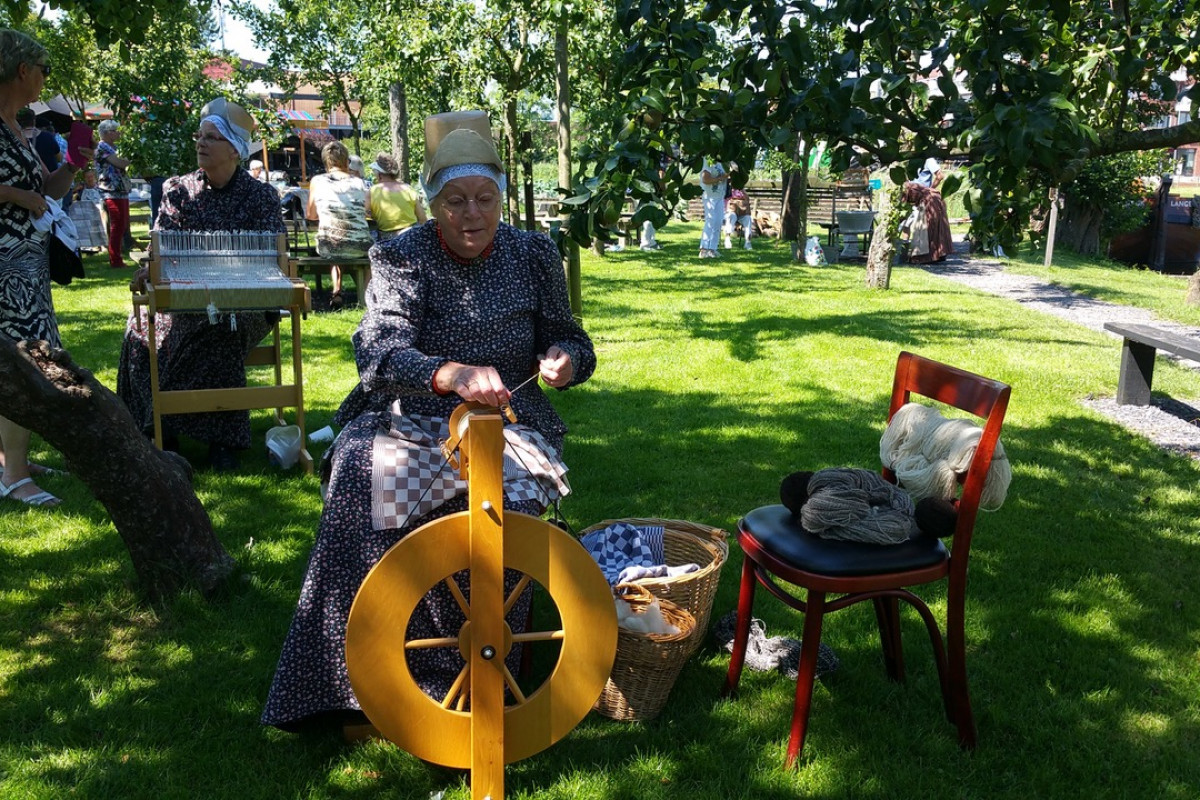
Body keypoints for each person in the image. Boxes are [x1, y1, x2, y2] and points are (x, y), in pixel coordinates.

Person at [262, 110, 595, 733]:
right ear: (432, 202)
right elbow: (378, 349)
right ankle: (347, 686)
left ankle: (478, 679)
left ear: (501, 198)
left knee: (504, 503)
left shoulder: (534, 253)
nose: (472, 214)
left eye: (485, 199)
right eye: (455, 200)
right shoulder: (400, 253)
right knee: (363, 471)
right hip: (411, 411)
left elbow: (573, 338)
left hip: (513, 416)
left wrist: (564, 359)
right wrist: (450, 374)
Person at [116, 97, 285, 472]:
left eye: (212, 137)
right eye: (200, 136)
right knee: (140, 334)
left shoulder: (261, 197)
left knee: (220, 328)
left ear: (234, 150)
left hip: (248, 303)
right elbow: (162, 244)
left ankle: (221, 441)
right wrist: (151, 267)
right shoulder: (178, 190)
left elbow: (273, 257)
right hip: (185, 299)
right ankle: (158, 429)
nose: (201, 144)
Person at [0, 28, 88, 507]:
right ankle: (14, 475)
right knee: (21, 364)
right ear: (21, 70)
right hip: (4, 267)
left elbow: (47, 192)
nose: (45, 80)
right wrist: (17, 195)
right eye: (43, 70)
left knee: (24, 360)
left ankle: (10, 459)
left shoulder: (18, 125)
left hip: (26, 266)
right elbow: (22, 194)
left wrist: (72, 168)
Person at [306, 140, 370, 309]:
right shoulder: (360, 183)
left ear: (325, 160)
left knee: (334, 240)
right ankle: (369, 296)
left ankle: (337, 292)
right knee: (357, 245)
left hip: (330, 246)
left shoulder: (317, 181)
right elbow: (366, 212)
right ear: (346, 160)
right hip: (360, 246)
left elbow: (311, 215)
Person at [95, 118, 132, 268]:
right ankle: (115, 260)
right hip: (110, 190)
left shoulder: (115, 147)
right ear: (108, 133)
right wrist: (131, 156)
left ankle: (117, 256)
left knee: (122, 224)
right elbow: (121, 163)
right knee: (117, 224)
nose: (119, 133)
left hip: (121, 189)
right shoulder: (102, 148)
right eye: (116, 131)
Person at [366, 151, 426, 241]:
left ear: (379, 174)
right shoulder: (408, 189)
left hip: (387, 240)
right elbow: (422, 219)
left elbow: (366, 217)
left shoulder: (372, 191)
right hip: (411, 237)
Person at [901, 180, 953, 264]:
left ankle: (924, 257)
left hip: (930, 200)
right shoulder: (908, 186)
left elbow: (903, 206)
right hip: (937, 198)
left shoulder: (903, 188)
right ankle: (939, 254)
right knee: (939, 226)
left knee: (927, 227)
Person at [67, 168, 105, 252]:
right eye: (87, 177)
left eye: (91, 176)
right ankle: (85, 246)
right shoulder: (81, 186)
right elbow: (70, 195)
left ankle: (101, 245)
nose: (90, 179)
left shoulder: (100, 186)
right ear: (84, 178)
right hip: (84, 211)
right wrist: (75, 190)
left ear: (95, 177)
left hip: (98, 210)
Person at [698, 158, 727, 258]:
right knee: (710, 221)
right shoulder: (709, 160)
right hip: (709, 196)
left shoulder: (723, 162)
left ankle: (712, 249)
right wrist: (720, 178)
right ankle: (703, 249)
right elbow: (705, 179)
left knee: (718, 222)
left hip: (719, 196)